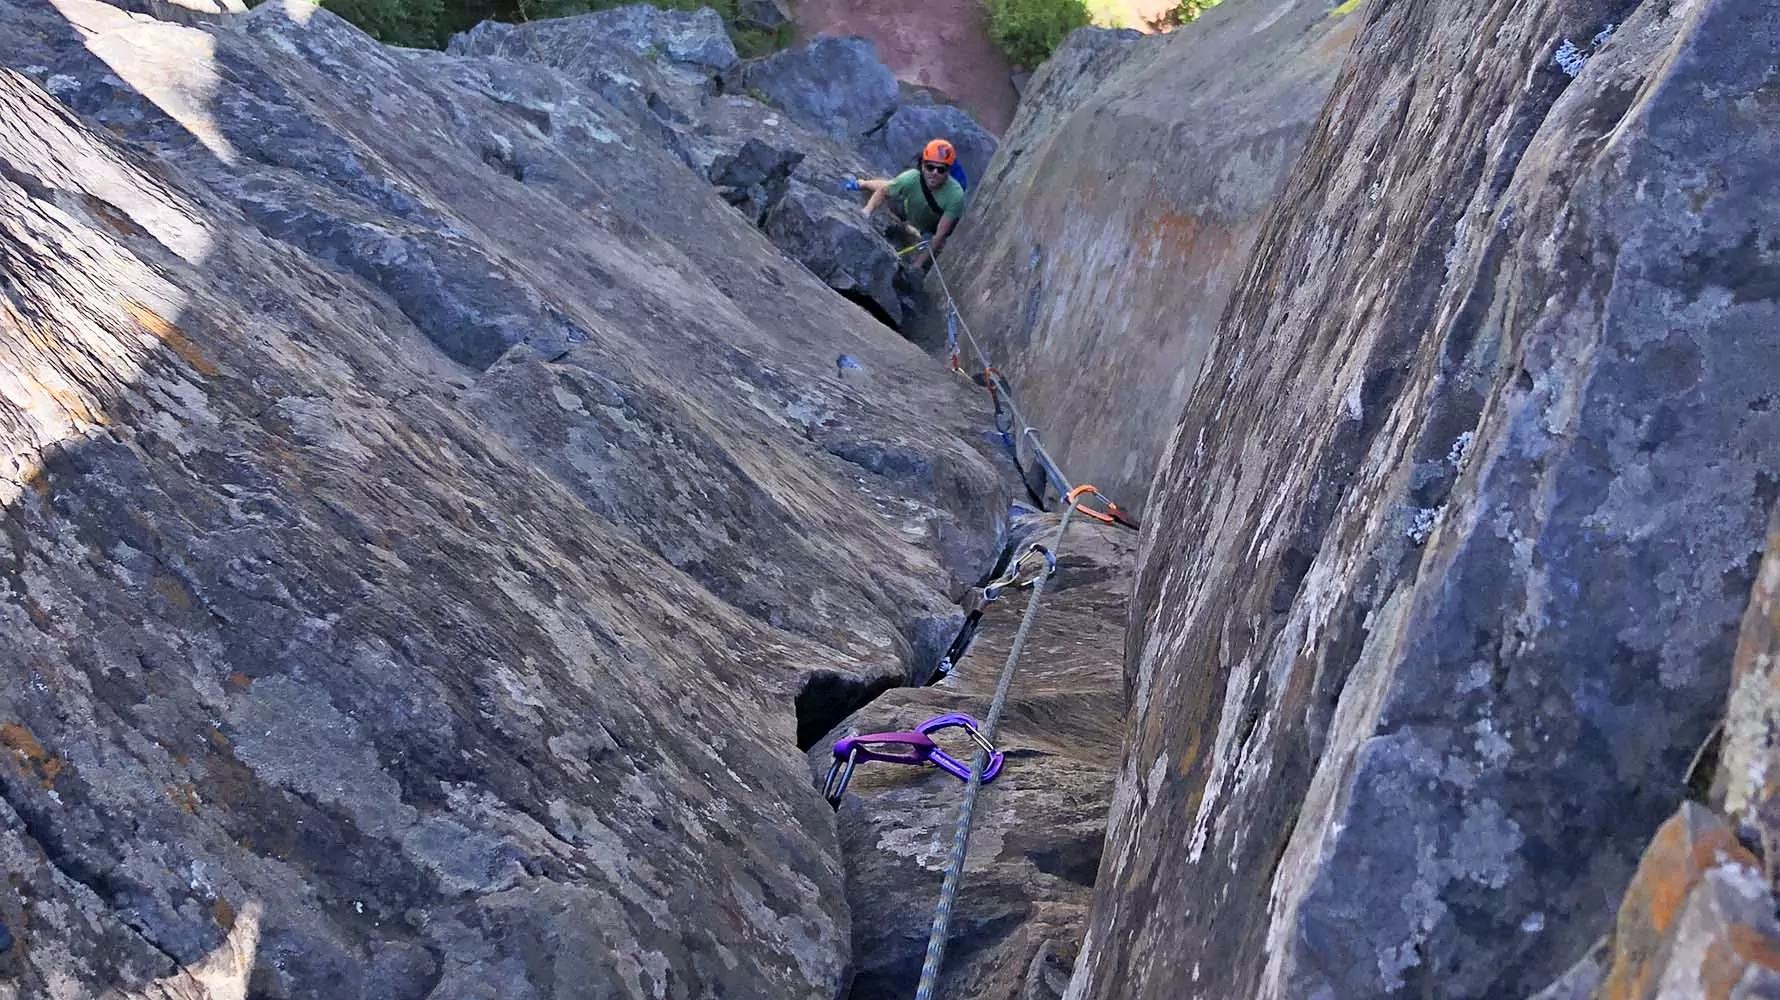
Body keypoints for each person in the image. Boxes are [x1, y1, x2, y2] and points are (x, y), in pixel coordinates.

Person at [857, 139, 966, 271]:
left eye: (941, 169)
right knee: (890, 186)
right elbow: (883, 191)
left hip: (928, 227)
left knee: (893, 186)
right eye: (930, 167)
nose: (934, 173)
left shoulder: (955, 195)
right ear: (923, 165)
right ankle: (863, 183)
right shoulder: (912, 178)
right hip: (907, 207)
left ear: (948, 171)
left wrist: (917, 264)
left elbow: (940, 235)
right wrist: (866, 211)